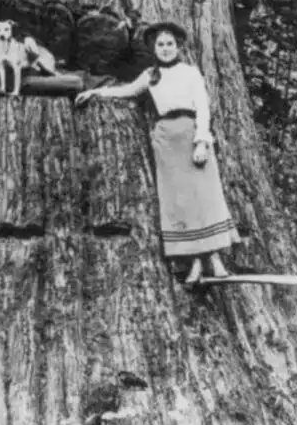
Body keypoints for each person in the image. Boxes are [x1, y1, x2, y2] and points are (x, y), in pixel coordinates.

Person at [75, 21, 240, 284]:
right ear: (154, 48)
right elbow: (126, 91)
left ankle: (215, 259)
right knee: (179, 201)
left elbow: (203, 107)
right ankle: (195, 263)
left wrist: (201, 141)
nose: (165, 49)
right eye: (160, 44)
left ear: (178, 46)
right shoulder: (150, 75)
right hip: (166, 141)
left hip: (190, 134)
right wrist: (96, 92)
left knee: (204, 196)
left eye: (169, 44)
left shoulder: (190, 73)